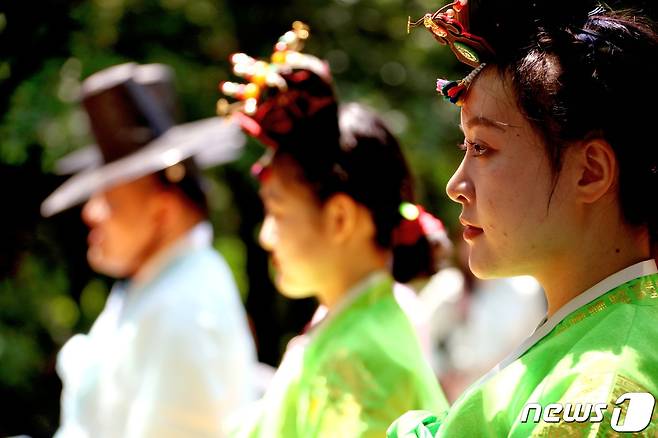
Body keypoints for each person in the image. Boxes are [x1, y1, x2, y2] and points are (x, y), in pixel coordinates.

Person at [388, 0, 658, 436]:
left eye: (482, 148)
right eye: (465, 148)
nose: (455, 186)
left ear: (589, 171)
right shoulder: (597, 345)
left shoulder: (604, 390)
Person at [220, 23, 448, 437]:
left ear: (341, 218)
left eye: (278, 212)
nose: (265, 236)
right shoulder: (356, 330)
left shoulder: (361, 362)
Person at [41, 62, 258, 437]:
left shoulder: (185, 308)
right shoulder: (157, 287)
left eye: (110, 200)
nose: (91, 213)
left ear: (163, 210)